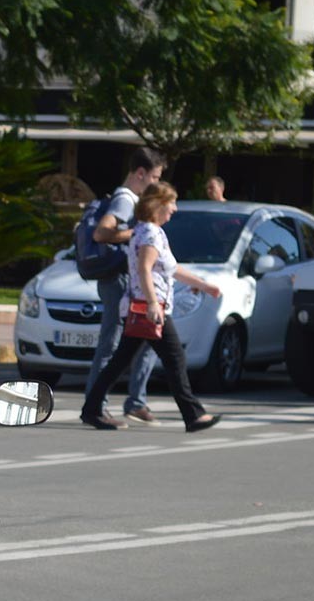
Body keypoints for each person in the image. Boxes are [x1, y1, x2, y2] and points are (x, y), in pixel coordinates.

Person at [80, 181, 223, 433]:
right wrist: (153, 303)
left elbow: (171, 268)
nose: (175, 209)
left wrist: (203, 285)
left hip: (144, 307)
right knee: (175, 358)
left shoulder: (147, 231)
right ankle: (193, 415)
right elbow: (145, 269)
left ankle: (91, 409)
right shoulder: (149, 233)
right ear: (157, 204)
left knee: (122, 360)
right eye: (171, 203)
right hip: (149, 309)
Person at [83, 147, 167, 426]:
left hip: (122, 280)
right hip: (116, 281)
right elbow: (101, 233)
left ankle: (135, 402)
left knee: (142, 342)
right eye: (155, 177)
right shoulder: (125, 199)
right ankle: (97, 406)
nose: (156, 183)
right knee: (112, 343)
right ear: (140, 174)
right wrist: (136, 233)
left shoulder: (132, 199)